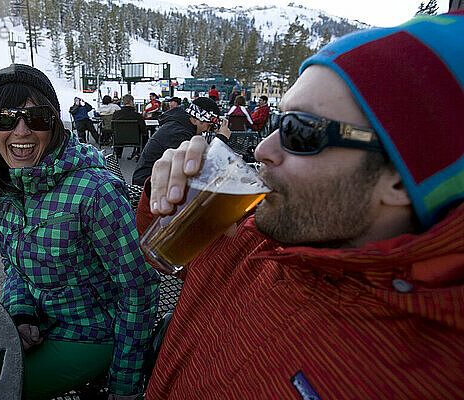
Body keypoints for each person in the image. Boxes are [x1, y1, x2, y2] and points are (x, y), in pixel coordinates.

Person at [138, 12, 464, 399]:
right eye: (278, 121)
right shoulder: (257, 235)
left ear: (398, 175)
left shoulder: (427, 378)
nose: (263, 149)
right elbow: (165, 249)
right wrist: (168, 195)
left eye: (300, 130)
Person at [0, 64, 159, 400]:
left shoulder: (96, 193)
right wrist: (21, 310)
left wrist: (126, 382)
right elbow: (14, 266)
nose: (22, 131)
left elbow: (139, 290)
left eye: (36, 118)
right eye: (5, 117)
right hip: (40, 320)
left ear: (53, 124)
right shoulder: (7, 185)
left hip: (94, 333)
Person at [132, 97, 224, 187]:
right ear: (196, 119)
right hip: (146, 187)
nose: (208, 131)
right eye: (208, 126)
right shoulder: (178, 134)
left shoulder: (180, 127)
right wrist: (221, 138)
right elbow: (196, 169)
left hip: (154, 180)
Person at [112, 94, 147, 159]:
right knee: (144, 134)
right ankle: (139, 153)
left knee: (119, 131)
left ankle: (118, 153)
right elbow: (143, 129)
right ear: (131, 102)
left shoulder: (116, 114)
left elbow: (113, 128)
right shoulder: (137, 115)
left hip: (119, 139)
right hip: (135, 139)